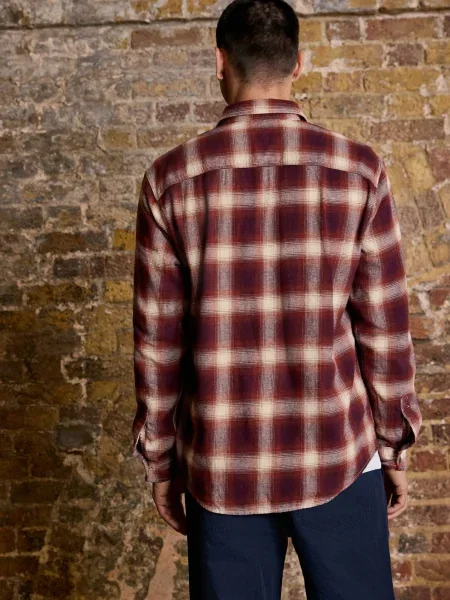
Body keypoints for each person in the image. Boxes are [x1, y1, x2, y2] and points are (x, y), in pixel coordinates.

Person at [131, 0, 423, 597]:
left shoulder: (170, 179)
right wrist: (393, 445)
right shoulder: (359, 169)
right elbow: (385, 328)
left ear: (220, 62)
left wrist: (161, 461)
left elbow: (158, 345)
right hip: (338, 456)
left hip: (221, 467)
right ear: (299, 64)